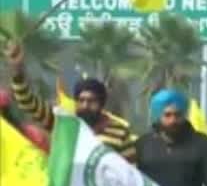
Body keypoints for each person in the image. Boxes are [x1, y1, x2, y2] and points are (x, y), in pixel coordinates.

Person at [4, 43, 136, 161]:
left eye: (91, 101)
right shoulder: (64, 124)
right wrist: (17, 71)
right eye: (81, 100)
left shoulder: (120, 131)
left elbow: (130, 172)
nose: (85, 105)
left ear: (101, 103)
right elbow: (27, 102)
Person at [135, 89, 207, 186]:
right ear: (158, 115)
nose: (173, 120)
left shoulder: (200, 142)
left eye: (178, 115)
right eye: (167, 115)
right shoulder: (143, 143)